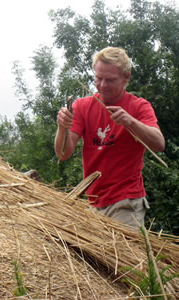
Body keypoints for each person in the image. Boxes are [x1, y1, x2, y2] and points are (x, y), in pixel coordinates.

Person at [55, 47, 165, 228]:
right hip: (93, 202)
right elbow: (63, 154)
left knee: (122, 255)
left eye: (110, 80)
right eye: (98, 78)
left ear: (126, 77)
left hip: (126, 201)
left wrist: (130, 122)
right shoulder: (82, 106)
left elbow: (159, 143)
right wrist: (62, 127)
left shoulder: (139, 107)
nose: (102, 85)